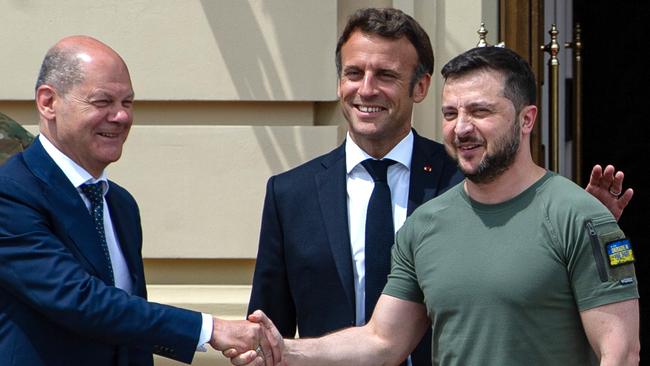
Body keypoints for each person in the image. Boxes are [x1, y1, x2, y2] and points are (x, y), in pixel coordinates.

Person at [246, 8, 634, 366]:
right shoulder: (424, 224)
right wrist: (283, 348)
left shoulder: (579, 215)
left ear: (526, 119)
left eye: (480, 111)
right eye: (451, 113)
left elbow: (621, 352)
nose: (462, 127)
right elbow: (383, 341)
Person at [0, 36, 277, 365]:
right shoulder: (11, 192)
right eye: (103, 102)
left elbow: (130, 327)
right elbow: (77, 298)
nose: (120, 117)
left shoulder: (119, 204)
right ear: (48, 102)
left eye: (127, 103)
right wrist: (211, 329)